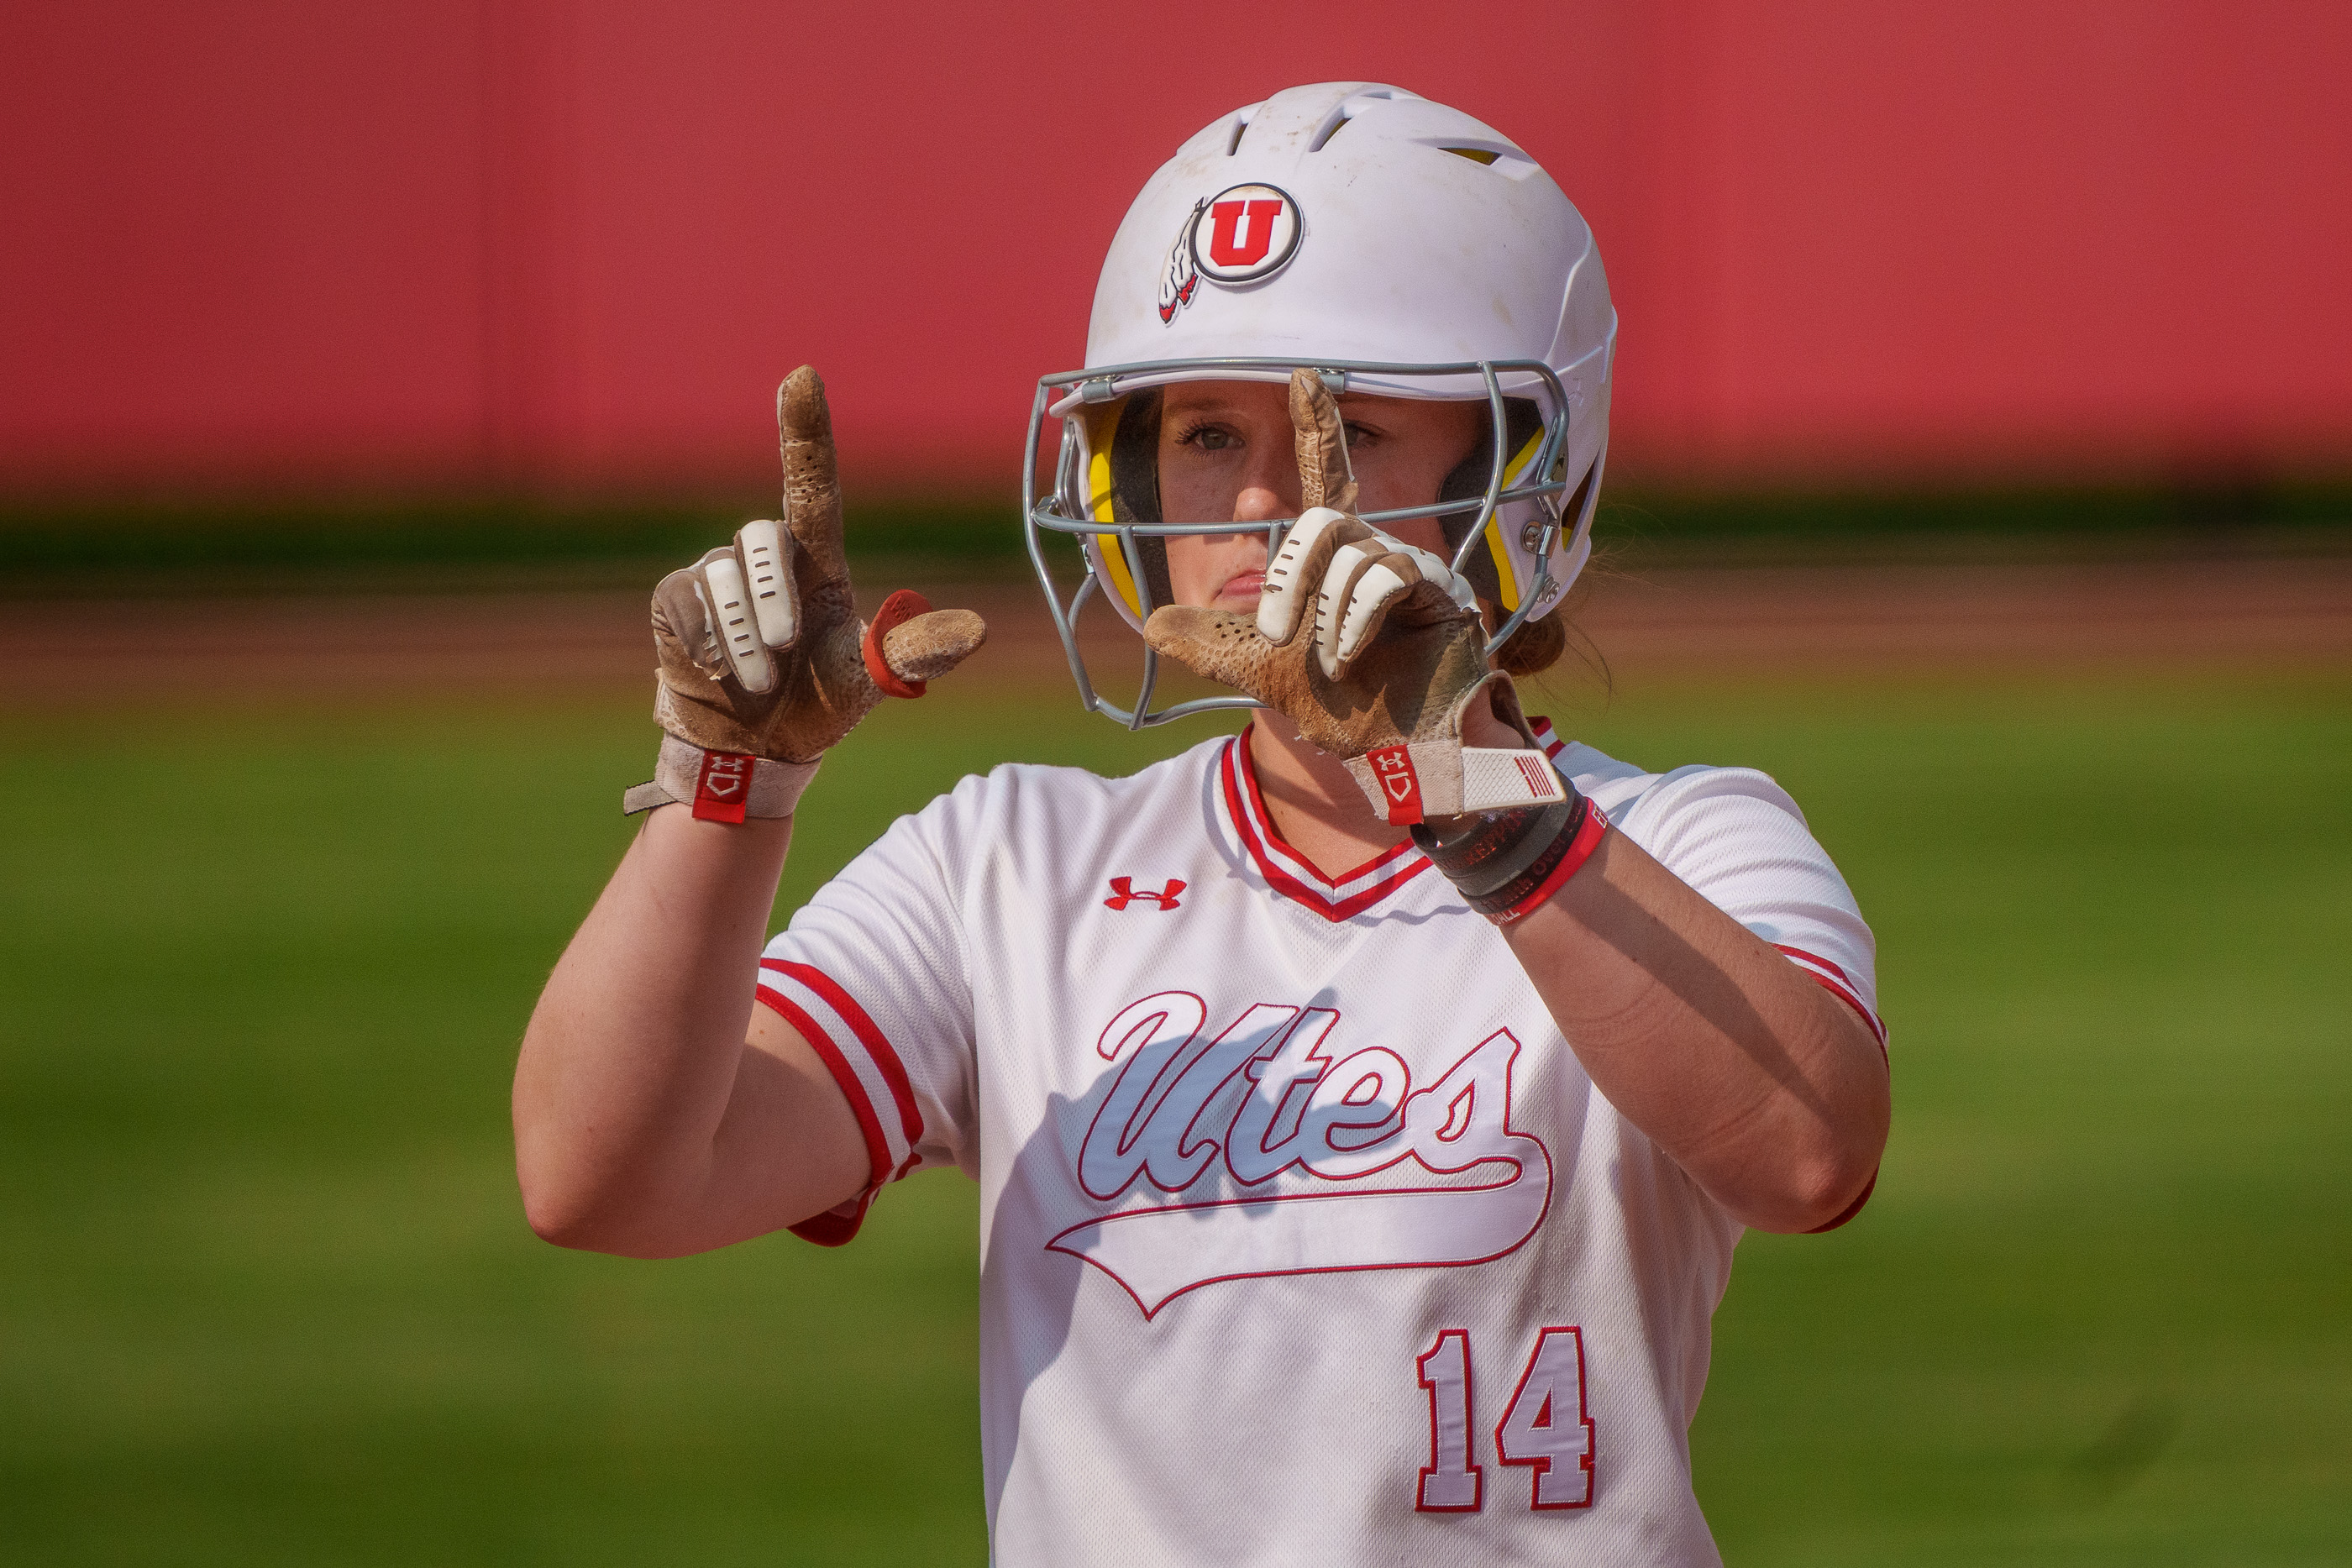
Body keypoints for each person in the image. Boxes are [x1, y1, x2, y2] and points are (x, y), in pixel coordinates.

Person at [514, 81, 1890, 1565]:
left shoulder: (1678, 841)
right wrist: (726, 794)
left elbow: (1811, 1149)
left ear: (1521, 484)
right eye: (1204, 431)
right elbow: (611, 1175)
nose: (1255, 498)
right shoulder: (1007, 867)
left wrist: (1485, 805)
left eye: (1344, 433)